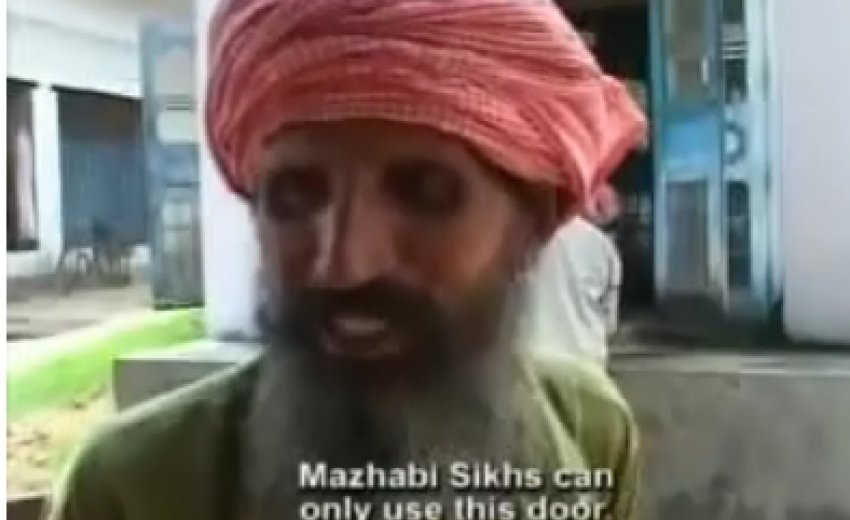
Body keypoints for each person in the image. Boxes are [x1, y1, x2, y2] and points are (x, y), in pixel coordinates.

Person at [46, 1, 646, 519]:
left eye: (425, 193)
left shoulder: (593, 435)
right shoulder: (129, 493)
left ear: (533, 222)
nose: (345, 265)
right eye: (293, 197)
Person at [524, 193, 622, 365]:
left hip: (533, 356)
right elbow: (610, 323)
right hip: (585, 357)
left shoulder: (525, 237)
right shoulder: (605, 248)